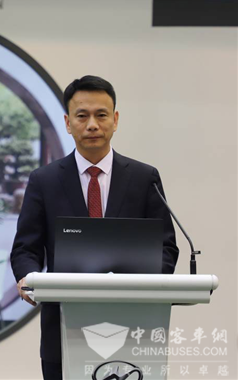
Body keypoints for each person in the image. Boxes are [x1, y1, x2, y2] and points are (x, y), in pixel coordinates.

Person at [10, 75, 179, 380]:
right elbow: (25, 248)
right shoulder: (44, 181)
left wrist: (149, 285)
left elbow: (166, 246)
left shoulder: (144, 178)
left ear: (115, 120)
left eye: (101, 115)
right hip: (63, 327)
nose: (92, 125)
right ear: (67, 122)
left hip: (135, 324)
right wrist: (27, 277)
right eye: (82, 116)